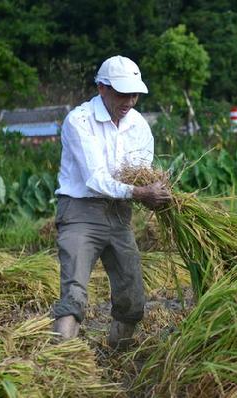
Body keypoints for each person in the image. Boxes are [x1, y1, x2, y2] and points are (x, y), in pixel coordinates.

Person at [52, 55, 171, 350]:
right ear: (102, 88)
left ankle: (116, 358)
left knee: (132, 299)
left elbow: (141, 171)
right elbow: (95, 178)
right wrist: (142, 193)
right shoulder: (79, 121)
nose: (129, 101)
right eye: (122, 93)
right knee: (74, 294)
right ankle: (56, 364)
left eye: (134, 94)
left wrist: (156, 192)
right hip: (81, 212)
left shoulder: (139, 125)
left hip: (119, 215)